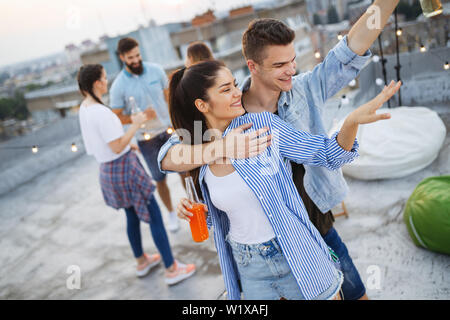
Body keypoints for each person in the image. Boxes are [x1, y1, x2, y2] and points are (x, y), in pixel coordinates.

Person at [159, 0, 400, 300]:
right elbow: (169, 155)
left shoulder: (302, 91)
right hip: (256, 258)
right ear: (253, 66)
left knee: (356, 295)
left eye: (293, 60)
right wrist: (219, 151)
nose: (292, 70)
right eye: (280, 65)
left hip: (313, 223)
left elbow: (350, 50)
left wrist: (385, 4)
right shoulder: (227, 120)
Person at [77, 64, 196, 285]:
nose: (106, 82)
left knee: (131, 215)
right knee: (154, 215)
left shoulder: (84, 108)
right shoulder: (102, 112)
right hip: (124, 167)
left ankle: (141, 261)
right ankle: (171, 269)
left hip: (107, 170)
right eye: (104, 78)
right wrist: (136, 124)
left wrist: (126, 145)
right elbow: (116, 145)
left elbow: (102, 145)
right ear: (96, 83)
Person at [109, 37, 179, 232]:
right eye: (131, 57)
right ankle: (171, 214)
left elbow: (168, 97)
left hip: (170, 130)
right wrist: (136, 118)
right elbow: (116, 117)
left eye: (138, 55)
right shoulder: (118, 86)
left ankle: (194, 207)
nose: (136, 60)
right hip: (147, 139)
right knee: (159, 179)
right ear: (122, 58)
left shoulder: (156, 70)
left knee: (186, 170)